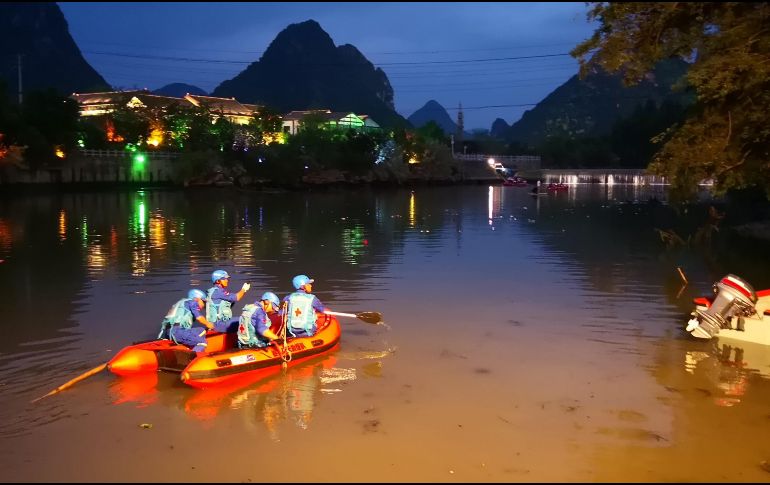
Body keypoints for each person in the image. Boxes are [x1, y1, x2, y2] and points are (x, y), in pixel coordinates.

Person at [158, 289, 215, 354]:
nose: (203, 305)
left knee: (201, 330)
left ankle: (192, 346)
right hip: (177, 332)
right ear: (197, 299)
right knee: (202, 342)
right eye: (203, 302)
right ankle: (193, 357)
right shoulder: (193, 303)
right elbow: (199, 318)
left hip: (171, 331)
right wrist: (208, 324)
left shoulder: (184, 303)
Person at [206, 269, 250, 333]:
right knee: (246, 319)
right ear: (218, 281)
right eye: (224, 279)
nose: (227, 280)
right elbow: (237, 297)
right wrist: (244, 289)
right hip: (219, 324)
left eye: (227, 279)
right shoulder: (218, 292)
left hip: (218, 323)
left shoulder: (216, 291)